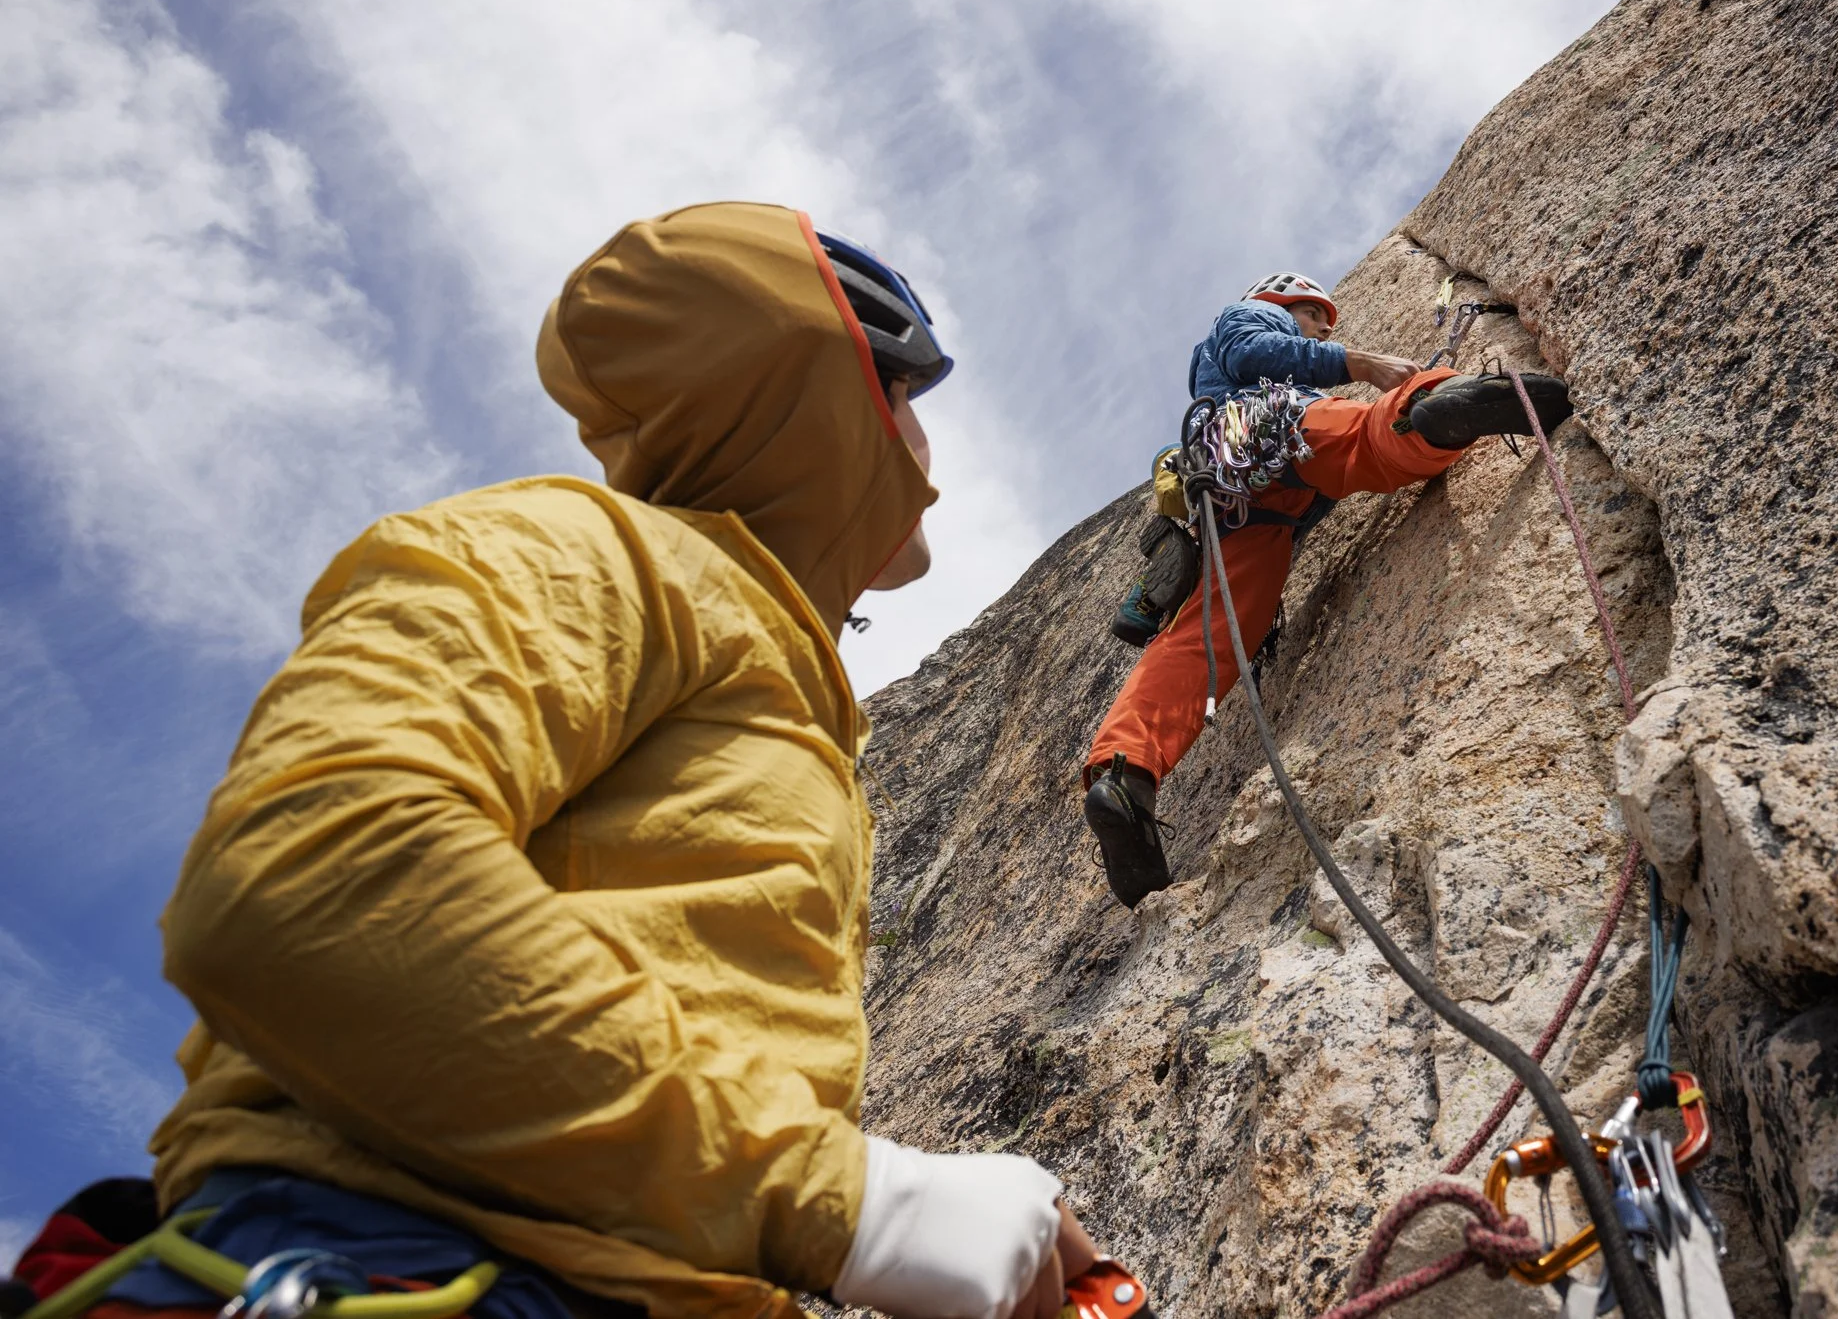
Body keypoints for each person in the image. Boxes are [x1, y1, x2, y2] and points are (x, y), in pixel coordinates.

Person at [68, 203, 1096, 1319]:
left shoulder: (772, 676)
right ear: (852, 391)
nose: (932, 448)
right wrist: (853, 1202)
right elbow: (315, 873)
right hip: (409, 1263)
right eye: (919, 401)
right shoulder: (599, 555)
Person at [1080, 272, 1574, 908]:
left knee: (1222, 629)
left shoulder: (1220, 374)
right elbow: (1258, 357)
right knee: (1366, 437)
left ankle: (1126, 776)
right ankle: (1432, 411)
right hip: (1255, 429)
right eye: (1318, 319)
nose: (1323, 330)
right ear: (1290, 303)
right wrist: (1360, 362)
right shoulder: (1245, 317)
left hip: (1241, 493)